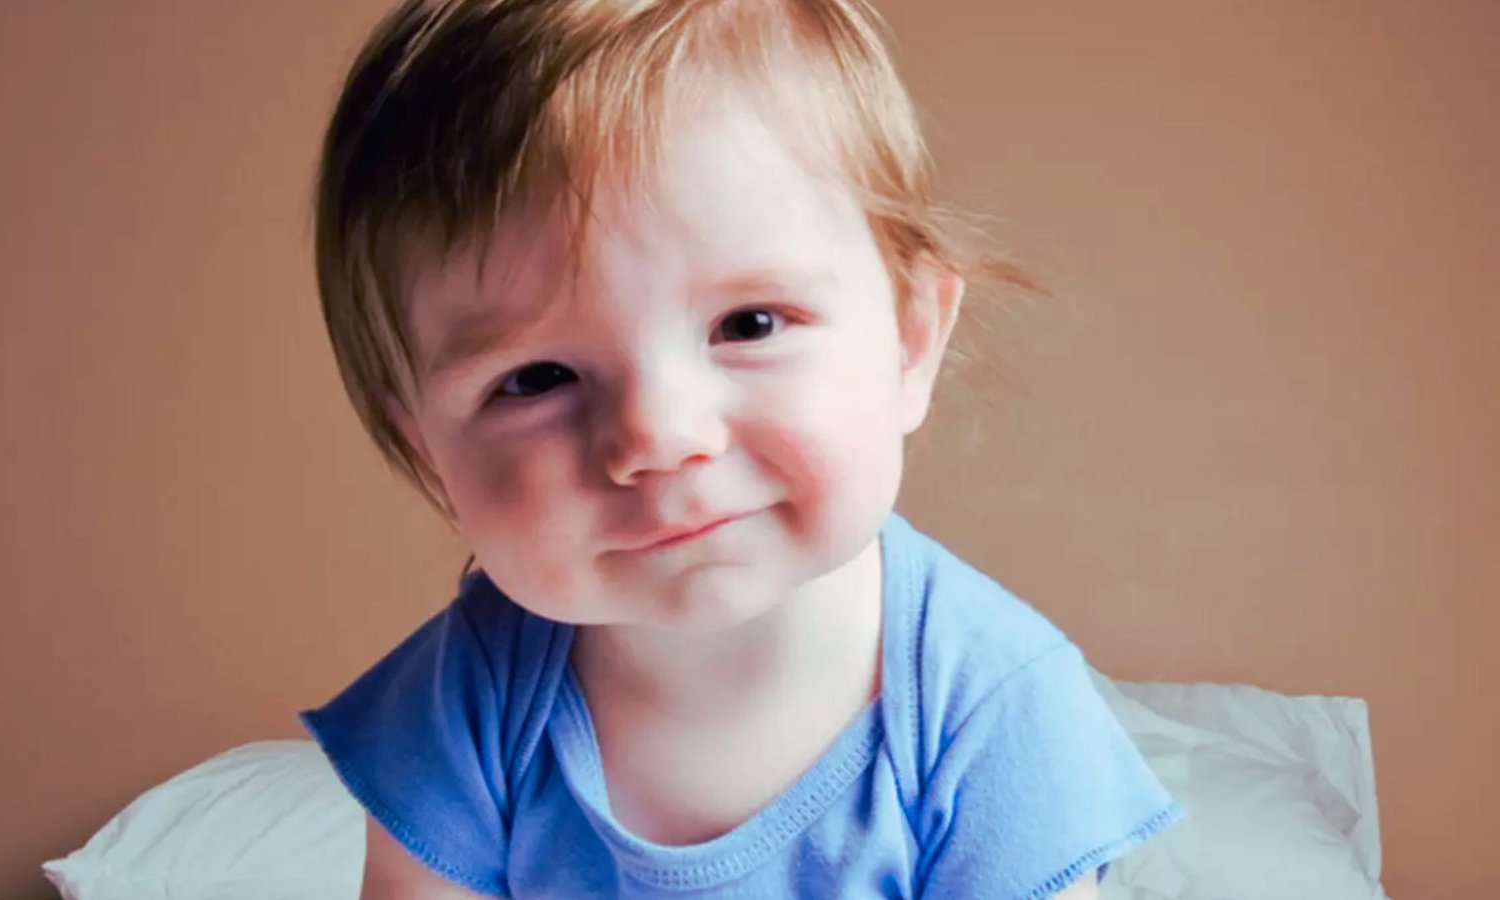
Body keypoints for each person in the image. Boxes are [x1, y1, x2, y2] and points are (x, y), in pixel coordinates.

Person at [300, 1, 1183, 896]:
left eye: (748, 324)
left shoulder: (996, 710)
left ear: (910, 340)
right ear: (428, 456)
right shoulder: (466, 703)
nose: (658, 437)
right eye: (535, 379)